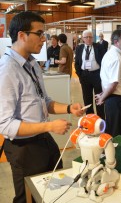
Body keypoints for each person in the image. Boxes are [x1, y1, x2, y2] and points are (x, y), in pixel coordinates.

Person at [0, 11, 84, 203]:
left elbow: (43, 101)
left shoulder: (32, 64)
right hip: (23, 148)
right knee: (28, 198)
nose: (44, 39)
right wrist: (49, 126)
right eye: (39, 34)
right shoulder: (7, 70)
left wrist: (69, 108)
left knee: (55, 191)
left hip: (43, 141)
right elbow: (5, 124)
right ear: (22, 35)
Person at [96, 29, 121, 137]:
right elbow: (113, 83)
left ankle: (112, 153)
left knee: (112, 131)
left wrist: (103, 94)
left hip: (113, 99)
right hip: (118, 102)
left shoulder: (110, 54)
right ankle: (115, 154)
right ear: (116, 42)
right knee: (117, 134)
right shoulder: (116, 58)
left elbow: (108, 80)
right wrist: (102, 98)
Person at [75, 30, 106, 119]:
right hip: (85, 75)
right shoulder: (79, 48)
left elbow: (104, 61)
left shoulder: (99, 47)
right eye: (86, 37)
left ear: (93, 38)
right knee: (87, 100)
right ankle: (90, 119)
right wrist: (80, 75)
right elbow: (77, 63)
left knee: (99, 99)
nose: (88, 39)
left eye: (90, 37)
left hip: (97, 75)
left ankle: (101, 120)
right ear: (83, 39)